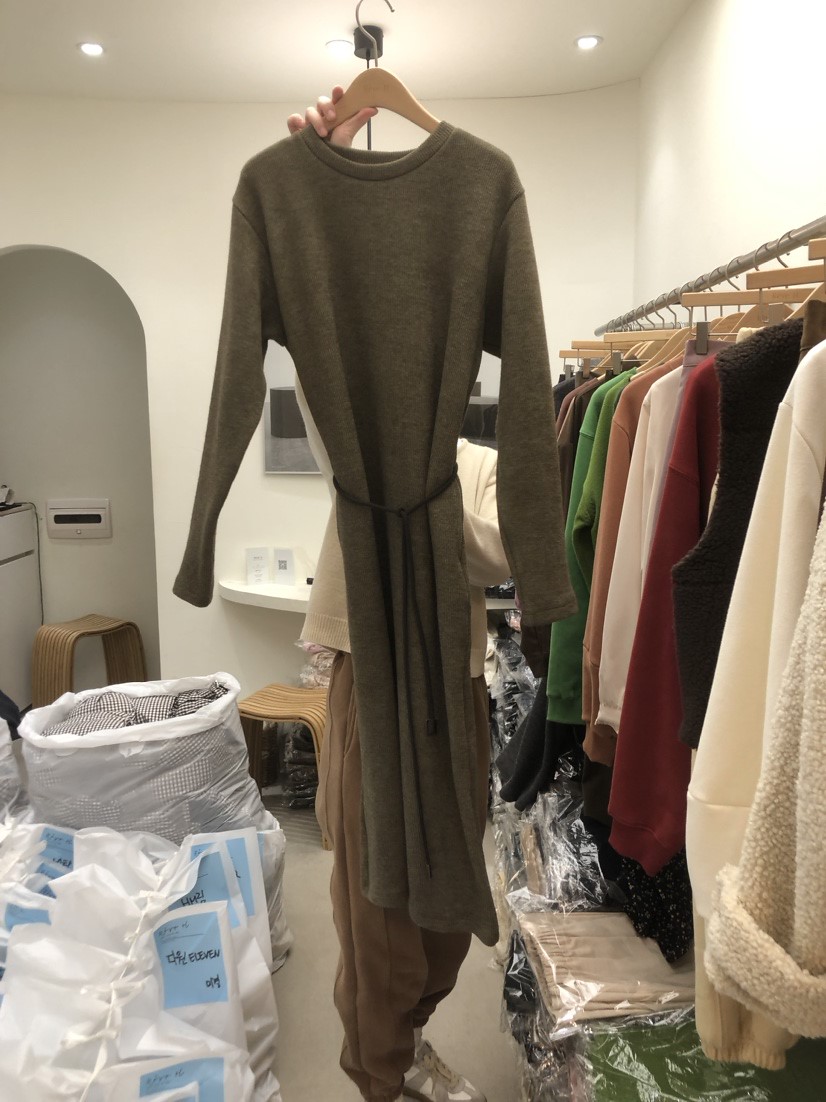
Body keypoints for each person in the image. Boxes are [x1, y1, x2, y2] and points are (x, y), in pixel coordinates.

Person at [290, 86, 509, 1102]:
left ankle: (410, 1036)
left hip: (455, 688)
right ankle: (379, 1071)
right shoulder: (356, 437)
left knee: (448, 910)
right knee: (376, 911)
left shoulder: (478, 462)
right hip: (371, 682)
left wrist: (433, 489)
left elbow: (502, 550)